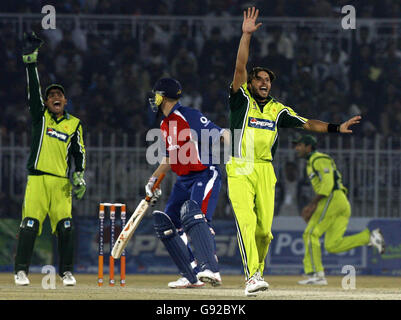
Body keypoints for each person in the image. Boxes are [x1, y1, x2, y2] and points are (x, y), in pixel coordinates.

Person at [227, 7, 363, 296]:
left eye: (268, 80)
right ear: (251, 84)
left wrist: (337, 128)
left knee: (264, 232)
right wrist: (245, 36)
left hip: (265, 169)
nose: (264, 83)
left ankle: (257, 271)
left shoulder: (278, 110)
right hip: (240, 167)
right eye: (259, 79)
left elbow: (309, 123)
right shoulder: (241, 102)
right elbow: (239, 67)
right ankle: (251, 276)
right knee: (247, 223)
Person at [14, 32, 86, 286]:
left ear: (65, 101)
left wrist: (79, 174)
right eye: (51, 95)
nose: (56, 97)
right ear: (46, 102)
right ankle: (20, 271)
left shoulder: (74, 124)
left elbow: (79, 152)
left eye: (60, 95)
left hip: (61, 184)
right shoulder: (40, 118)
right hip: (37, 180)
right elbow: (33, 91)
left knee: (66, 227)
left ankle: (66, 272)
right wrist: (31, 63)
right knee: (30, 224)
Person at [146, 77, 228, 288]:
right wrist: (153, 180)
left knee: (196, 217)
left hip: (204, 174)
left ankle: (210, 268)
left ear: (162, 97)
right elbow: (169, 158)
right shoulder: (165, 124)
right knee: (168, 224)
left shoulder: (188, 115)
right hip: (183, 180)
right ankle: (191, 274)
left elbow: (222, 134)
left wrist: (236, 156)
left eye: (155, 94)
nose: (153, 99)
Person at [293, 134, 385, 285]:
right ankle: (368, 237)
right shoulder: (311, 162)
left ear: (309, 147)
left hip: (332, 198)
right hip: (340, 202)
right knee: (332, 245)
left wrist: (312, 204)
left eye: (300, 145)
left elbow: (328, 184)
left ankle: (317, 274)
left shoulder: (318, 159)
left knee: (310, 233)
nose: (297, 148)